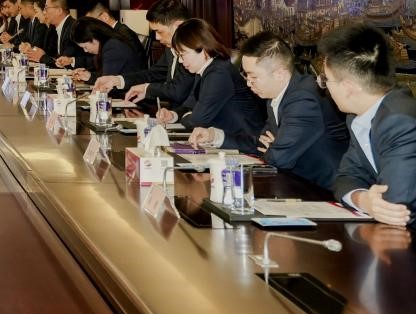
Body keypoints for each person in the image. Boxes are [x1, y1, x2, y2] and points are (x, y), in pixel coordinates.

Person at [188, 31, 348, 188]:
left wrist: (274, 147)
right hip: (296, 182)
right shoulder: (278, 93)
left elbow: (279, 159)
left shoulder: (303, 99)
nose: (248, 83)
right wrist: (215, 135)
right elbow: (260, 144)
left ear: (279, 74)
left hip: (323, 190)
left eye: (253, 77)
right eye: (246, 76)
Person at [322, 23, 416, 228]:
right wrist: (363, 200)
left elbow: (395, 208)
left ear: (348, 87)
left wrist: (373, 204)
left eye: (326, 80)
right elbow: (345, 178)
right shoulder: (359, 117)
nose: (324, 86)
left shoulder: (400, 122)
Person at [156, 19, 265, 154]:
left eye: (183, 54)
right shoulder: (205, 70)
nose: (180, 60)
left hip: (246, 146)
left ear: (203, 50)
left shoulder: (219, 72)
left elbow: (197, 120)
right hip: (224, 142)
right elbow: (189, 106)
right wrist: (172, 115)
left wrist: (188, 116)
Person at [94, 0, 194, 104]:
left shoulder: (194, 51)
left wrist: (146, 88)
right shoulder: (170, 49)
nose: (157, 37)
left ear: (178, 26)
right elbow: (153, 74)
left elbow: (178, 91)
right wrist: (117, 80)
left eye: (159, 31)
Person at [69, 17, 145, 87]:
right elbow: (107, 78)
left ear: (94, 39)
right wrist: (89, 76)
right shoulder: (110, 43)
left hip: (130, 95)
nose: (85, 51)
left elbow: (106, 84)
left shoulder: (112, 47)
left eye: (85, 47)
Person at [27, 0, 87, 69]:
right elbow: (56, 57)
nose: (44, 12)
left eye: (46, 8)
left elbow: (64, 62)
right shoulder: (58, 27)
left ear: (59, 11)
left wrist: (42, 57)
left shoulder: (72, 28)